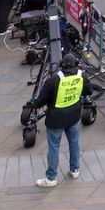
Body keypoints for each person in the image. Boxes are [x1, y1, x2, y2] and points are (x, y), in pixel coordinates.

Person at [33, 54, 89, 188]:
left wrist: (33, 103)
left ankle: (51, 177)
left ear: (61, 65)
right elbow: (89, 91)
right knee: (74, 143)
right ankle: (75, 169)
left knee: (54, 147)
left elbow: (40, 101)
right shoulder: (82, 76)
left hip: (55, 120)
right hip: (74, 116)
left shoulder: (53, 80)